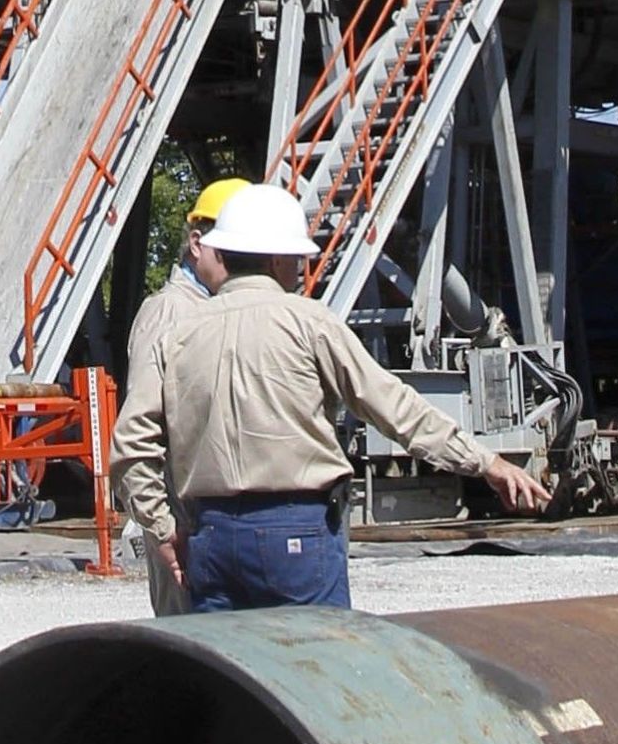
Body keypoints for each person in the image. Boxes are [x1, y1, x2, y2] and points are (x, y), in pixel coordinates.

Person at [111, 183, 551, 610]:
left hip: (211, 535)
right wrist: (485, 462)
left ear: (222, 253)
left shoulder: (178, 335)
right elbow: (394, 408)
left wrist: (163, 528)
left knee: (225, 677)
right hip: (296, 530)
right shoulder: (309, 323)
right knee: (311, 665)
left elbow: (131, 444)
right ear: (279, 260)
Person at [113, 174, 248, 614]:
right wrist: (162, 525)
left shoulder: (222, 308)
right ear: (197, 243)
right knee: (192, 644)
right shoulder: (170, 312)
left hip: (222, 516)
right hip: (185, 518)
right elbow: (140, 433)